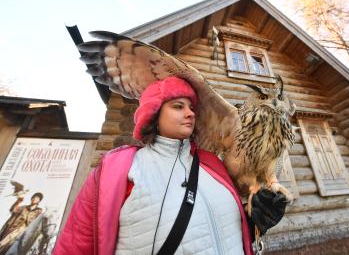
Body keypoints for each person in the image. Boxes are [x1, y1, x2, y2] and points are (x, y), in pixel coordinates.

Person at [53, 77, 285, 255]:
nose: (190, 113)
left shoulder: (212, 163)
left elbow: (224, 228)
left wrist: (255, 222)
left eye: (192, 108)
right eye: (178, 106)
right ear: (154, 113)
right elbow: (78, 241)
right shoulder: (120, 167)